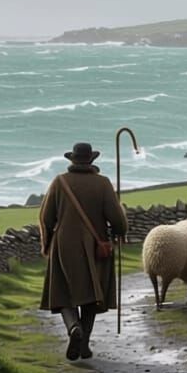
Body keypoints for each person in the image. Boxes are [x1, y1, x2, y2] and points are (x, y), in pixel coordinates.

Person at [39, 142, 128, 361]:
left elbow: (46, 217)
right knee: (91, 297)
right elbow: (117, 219)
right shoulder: (103, 183)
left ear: (72, 160)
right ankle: (85, 343)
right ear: (91, 160)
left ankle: (73, 329)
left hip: (63, 246)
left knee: (62, 294)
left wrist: (47, 244)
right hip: (94, 248)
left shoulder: (59, 182)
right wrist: (118, 232)